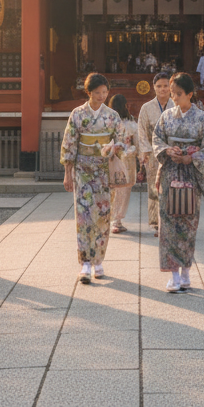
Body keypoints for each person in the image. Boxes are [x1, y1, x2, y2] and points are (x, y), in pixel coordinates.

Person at [61, 73, 130, 283]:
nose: (102, 96)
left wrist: (114, 147)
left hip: (103, 170)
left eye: (104, 92)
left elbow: (122, 140)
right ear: (88, 92)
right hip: (82, 169)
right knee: (83, 217)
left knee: (102, 216)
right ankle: (84, 264)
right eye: (97, 92)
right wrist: (68, 173)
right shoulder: (77, 114)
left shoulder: (112, 115)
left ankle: (98, 262)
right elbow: (69, 143)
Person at [153, 72, 204, 293]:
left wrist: (192, 157)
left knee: (188, 224)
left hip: (190, 173)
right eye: (172, 94)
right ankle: (173, 275)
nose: (174, 98)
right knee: (168, 224)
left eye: (179, 94)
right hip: (170, 171)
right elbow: (157, 139)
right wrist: (166, 149)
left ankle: (186, 271)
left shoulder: (203, 118)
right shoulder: (166, 117)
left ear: (190, 94)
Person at [137, 72, 173, 237]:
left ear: (171, 86)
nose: (163, 89)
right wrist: (144, 151)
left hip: (172, 152)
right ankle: (155, 222)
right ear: (154, 87)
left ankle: (170, 220)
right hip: (153, 154)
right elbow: (142, 131)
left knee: (172, 186)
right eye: (159, 86)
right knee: (154, 187)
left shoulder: (177, 105)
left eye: (166, 85)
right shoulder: (146, 107)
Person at [108, 93, 138, 234]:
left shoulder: (108, 123)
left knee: (112, 190)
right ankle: (117, 221)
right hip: (127, 159)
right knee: (124, 191)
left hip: (111, 159)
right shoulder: (131, 124)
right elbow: (136, 143)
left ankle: (110, 219)